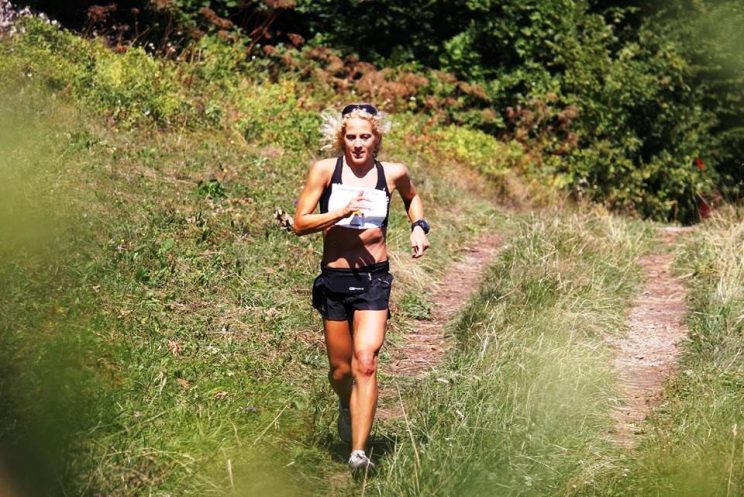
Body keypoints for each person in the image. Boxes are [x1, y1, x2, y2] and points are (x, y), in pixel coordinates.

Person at [293, 103, 430, 472]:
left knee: (365, 362)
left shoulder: (393, 173)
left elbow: (412, 198)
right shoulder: (326, 170)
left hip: (373, 278)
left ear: (376, 139)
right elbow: (300, 223)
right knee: (341, 371)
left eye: (364, 137)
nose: (357, 143)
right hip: (334, 279)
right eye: (351, 137)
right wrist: (341, 212)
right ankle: (345, 403)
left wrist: (419, 227)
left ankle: (358, 452)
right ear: (342, 139)